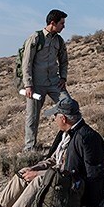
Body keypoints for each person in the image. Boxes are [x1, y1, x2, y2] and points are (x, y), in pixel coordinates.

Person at [21, 9, 72, 152]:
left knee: (69, 105)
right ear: (52, 23)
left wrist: (63, 77)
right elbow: (27, 63)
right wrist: (28, 85)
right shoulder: (35, 38)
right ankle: (30, 148)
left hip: (55, 83)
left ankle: (72, 140)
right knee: (32, 116)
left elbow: (64, 61)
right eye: (61, 23)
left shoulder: (59, 40)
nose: (64, 26)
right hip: (36, 85)